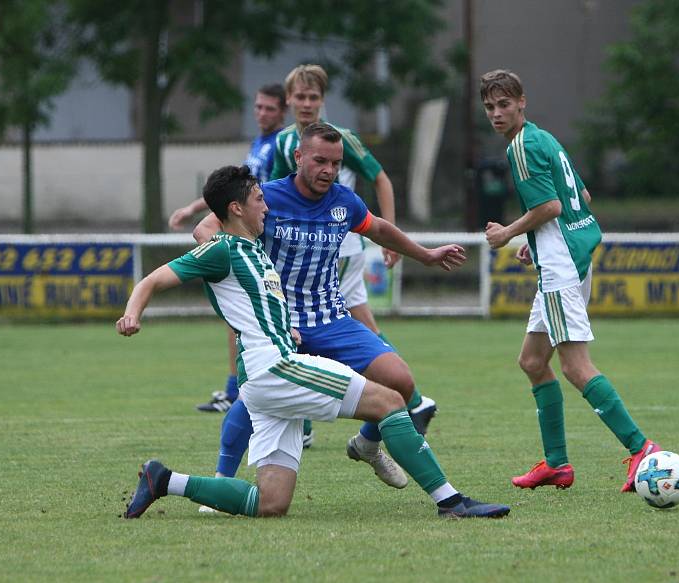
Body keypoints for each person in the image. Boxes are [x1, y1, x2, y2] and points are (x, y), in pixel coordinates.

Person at [119, 164, 509, 520]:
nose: (266, 208)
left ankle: (164, 480)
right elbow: (152, 280)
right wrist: (133, 313)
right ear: (236, 209)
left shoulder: (254, 252)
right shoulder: (222, 249)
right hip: (275, 368)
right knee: (390, 401)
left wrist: (281, 327)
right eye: (259, 201)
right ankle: (452, 502)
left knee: (271, 503)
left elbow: (243, 305)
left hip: (264, 376)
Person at [191, 123, 449, 497]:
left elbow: (377, 228)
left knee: (401, 381)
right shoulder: (267, 197)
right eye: (320, 161)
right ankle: (220, 484)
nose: (328, 169)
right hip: (280, 325)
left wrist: (425, 256)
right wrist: (231, 260)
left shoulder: (344, 202)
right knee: (249, 401)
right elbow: (205, 229)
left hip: (331, 319)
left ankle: (366, 445)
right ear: (299, 158)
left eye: (336, 162)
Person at [479, 69, 660, 492]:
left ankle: (641, 448)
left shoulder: (521, 146)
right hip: (569, 254)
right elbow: (583, 197)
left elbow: (551, 206)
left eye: (504, 104)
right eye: (489, 107)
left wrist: (508, 233)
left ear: (522, 102)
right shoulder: (545, 138)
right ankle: (557, 464)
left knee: (576, 366)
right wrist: (535, 241)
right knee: (532, 361)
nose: (496, 113)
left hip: (561, 266)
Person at [269, 64, 437, 434]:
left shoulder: (342, 137)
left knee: (336, 323)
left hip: (341, 245)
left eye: (314, 97)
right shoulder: (283, 142)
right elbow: (270, 194)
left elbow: (379, 178)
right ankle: (405, 402)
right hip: (302, 249)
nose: (307, 103)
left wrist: (394, 237)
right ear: (289, 101)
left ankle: (403, 399)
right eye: (301, 97)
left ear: (323, 101)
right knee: (344, 324)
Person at [168, 83, 287, 413]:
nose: (262, 113)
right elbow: (230, 186)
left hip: (265, 237)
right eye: (258, 106)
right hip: (244, 234)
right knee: (240, 316)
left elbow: (261, 192)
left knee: (267, 320)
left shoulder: (282, 143)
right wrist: (193, 208)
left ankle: (251, 394)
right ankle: (236, 389)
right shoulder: (259, 143)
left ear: (283, 110)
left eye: (270, 108)